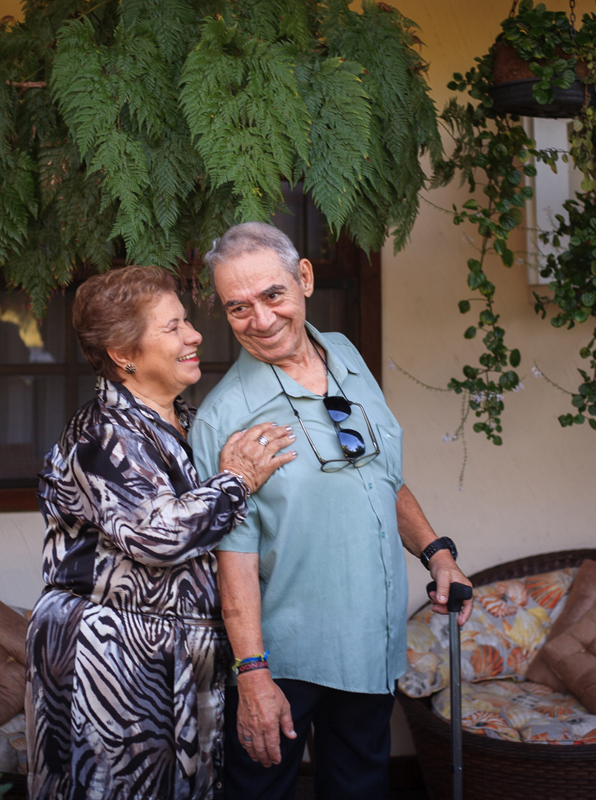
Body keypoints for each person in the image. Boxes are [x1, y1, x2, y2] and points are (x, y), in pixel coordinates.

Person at [189, 223, 474, 799]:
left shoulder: (343, 352)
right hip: (283, 658)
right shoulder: (224, 420)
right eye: (238, 307)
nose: (262, 320)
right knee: (258, 793)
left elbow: (379, 476)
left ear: (305, 278)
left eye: (273, 295)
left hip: (370, 640)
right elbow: (233, 558)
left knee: (360, 790)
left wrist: (436, 552)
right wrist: (253, 676)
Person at [26, 265, 297, 800]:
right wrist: (238, 480)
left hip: (181, 657)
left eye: (188, 321)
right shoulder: (103, 433)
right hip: (112, 658)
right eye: (173, 327)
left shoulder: (189, 422)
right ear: (124, 353)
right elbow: (157, 535)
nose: (195, 335)